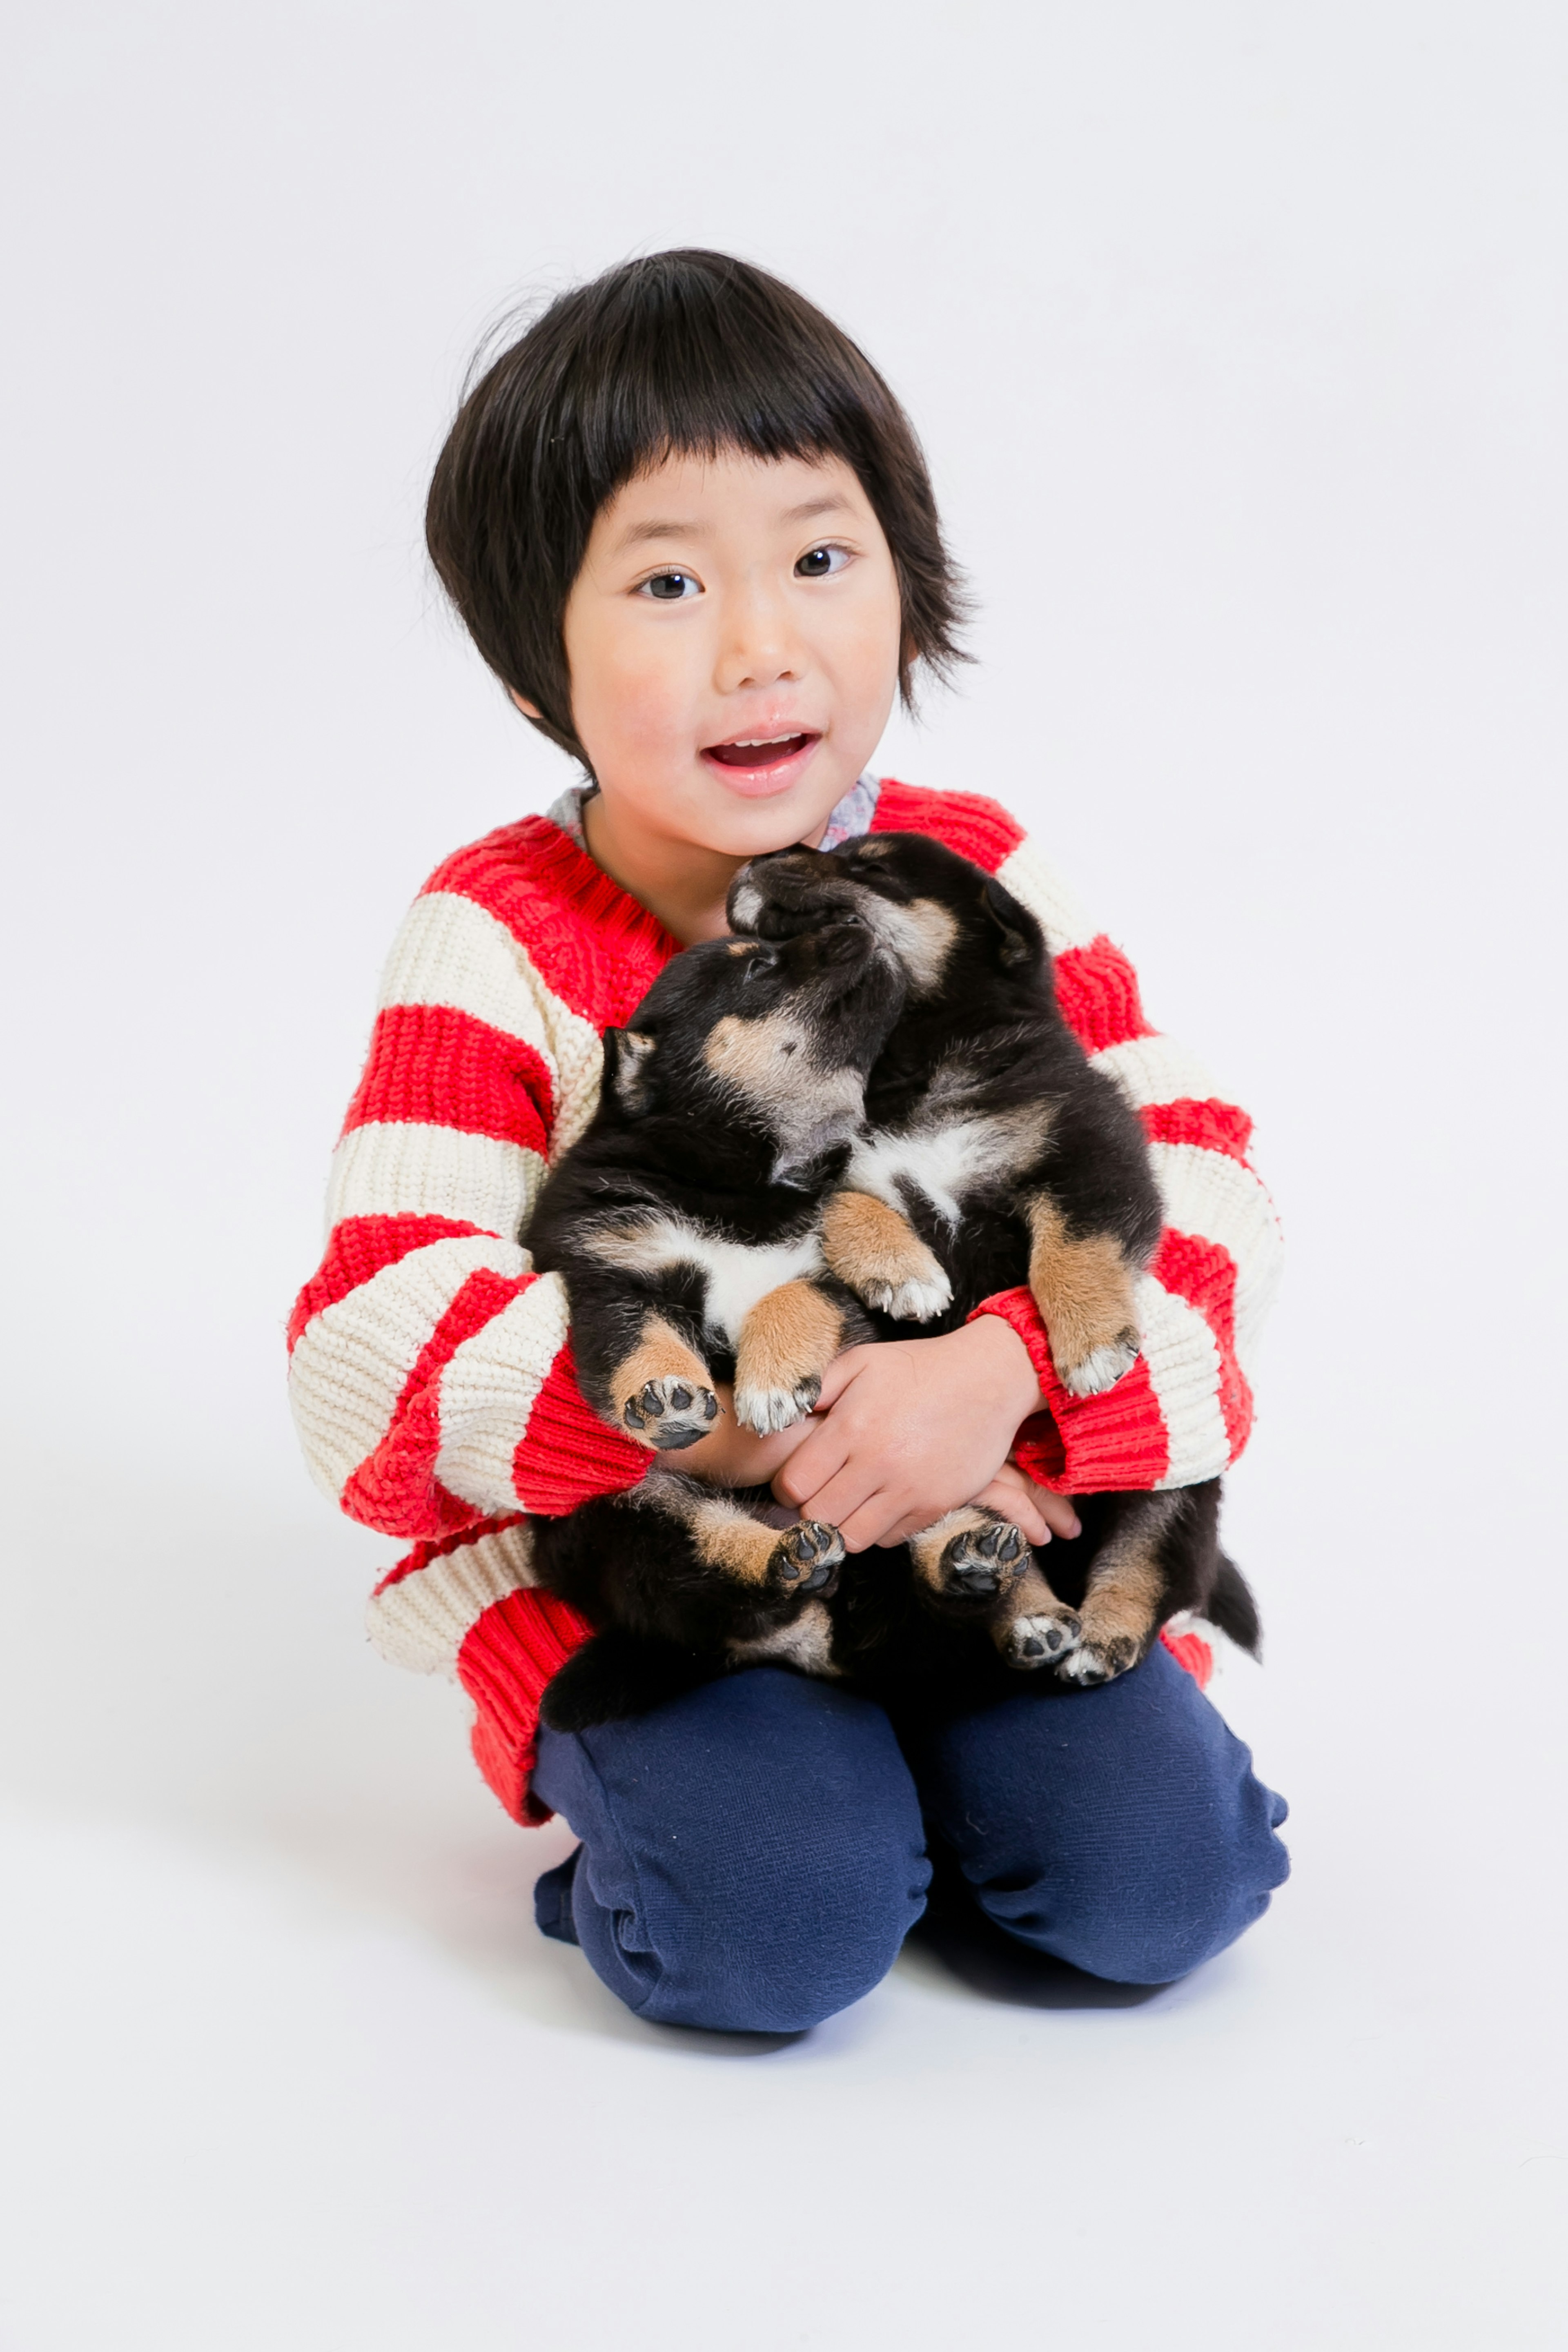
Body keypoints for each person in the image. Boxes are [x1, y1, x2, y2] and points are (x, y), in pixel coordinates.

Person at [288, 249, 1289, 2033]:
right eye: (668, 582)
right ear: (536, 676)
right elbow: (374, 1340)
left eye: (821, 559)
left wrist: (1001, 1372)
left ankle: (949, 1803)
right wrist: (783, 1438)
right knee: (776, 1931)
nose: (762, 646)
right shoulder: (497, 933)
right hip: (672, 1582)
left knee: (1161, 1894)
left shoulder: (968, 868)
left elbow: (1200, 1173)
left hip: (991, 1536)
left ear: (908, 586)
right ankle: (737, 1837)